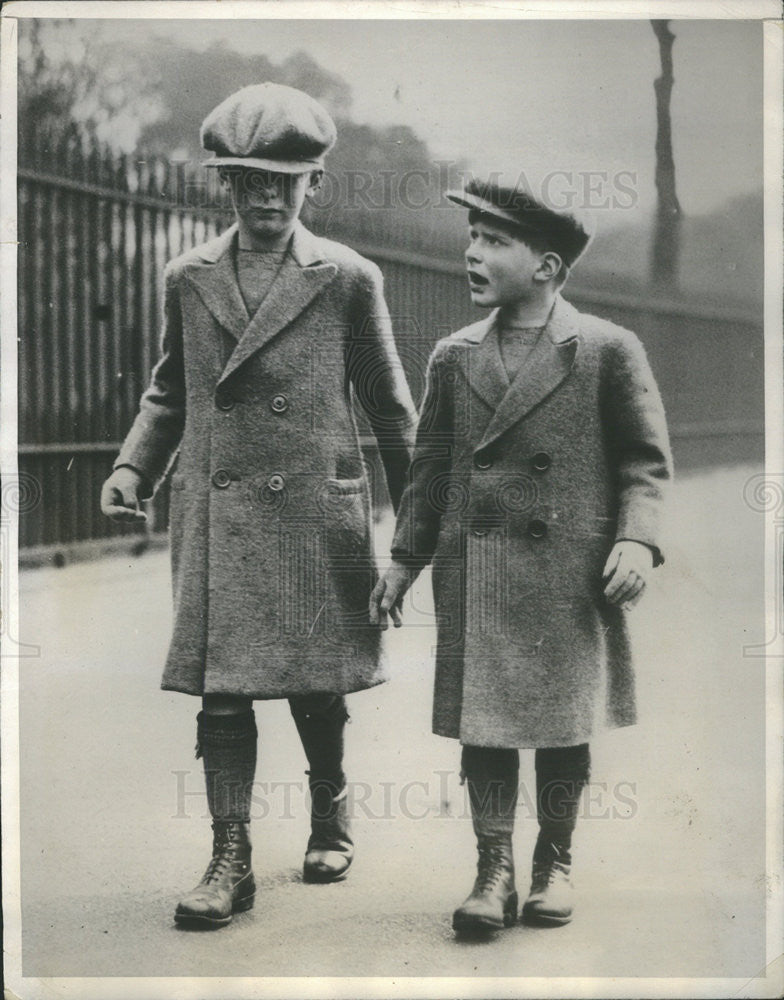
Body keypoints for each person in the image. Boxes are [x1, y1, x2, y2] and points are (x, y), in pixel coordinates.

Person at [101, 83, 417, 929]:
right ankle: (229, 854)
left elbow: (390, 407)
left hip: (315, 512)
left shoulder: (349, 278)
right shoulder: (188, 275)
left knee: (315, 682)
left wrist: (416, 532)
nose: (267, 197)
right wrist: (135, 466)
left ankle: (329, 809)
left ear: (313, 182)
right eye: (248, 181)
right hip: (222, 512)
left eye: (285, 180)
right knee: (224, 690)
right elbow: (171, 392)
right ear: (226, 186)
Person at [370, 175, 672, 934]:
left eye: (494, 241)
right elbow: (430, 472)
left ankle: (555, 863)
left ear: (546, 266)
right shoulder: (451, 356)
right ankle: (493, 867)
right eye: (472, 237)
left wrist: (637, 536)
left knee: (565, 722)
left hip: (571, 573)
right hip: (480, 576)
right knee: (487, 723)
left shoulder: (605, 349)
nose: (472, 253)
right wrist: (405, 558)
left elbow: (644, 462)